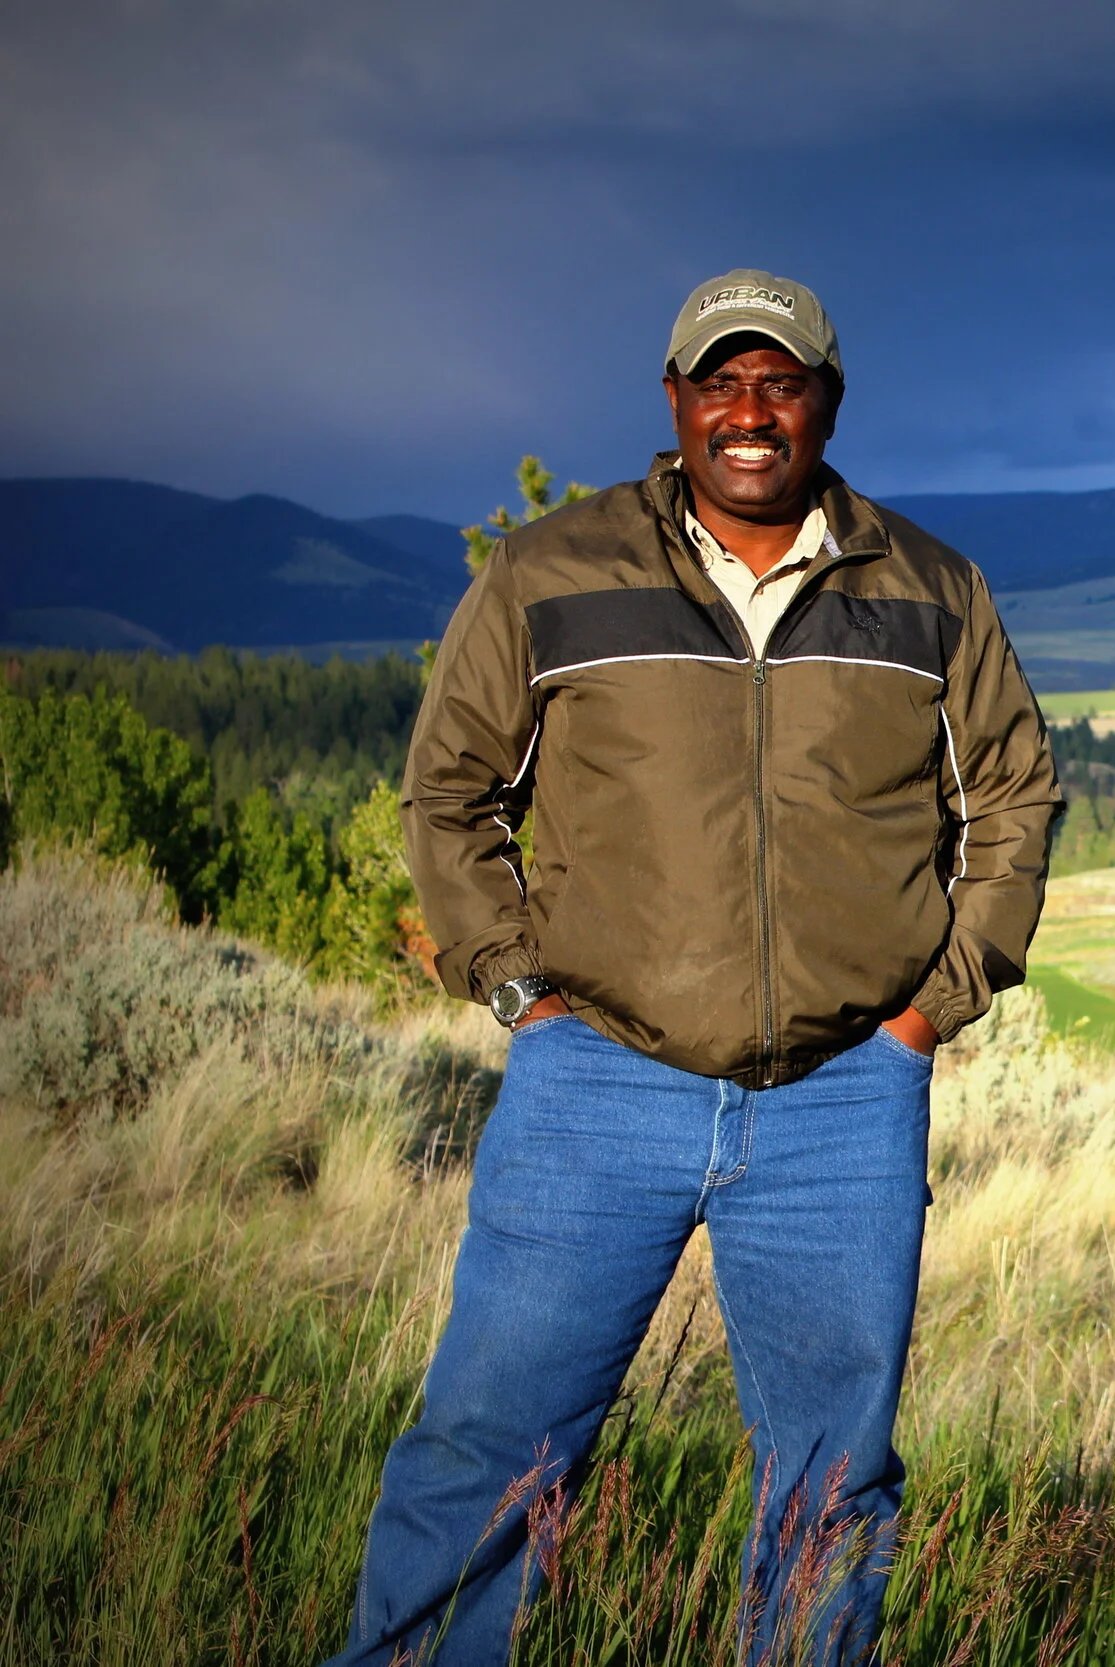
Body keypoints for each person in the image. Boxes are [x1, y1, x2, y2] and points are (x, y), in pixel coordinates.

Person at [326, 269, 1062, 1664]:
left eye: (779, 380)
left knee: (831, 1482)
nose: (749, 409)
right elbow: (449, 795)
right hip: (595, 1078)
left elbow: (1013, 797)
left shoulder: (931, 588)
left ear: (827, 403)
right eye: (719, 379)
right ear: (672, 401)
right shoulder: (550, 570)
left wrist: (932, 1008)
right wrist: (516, 995)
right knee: (486, 1444)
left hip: (846, 1097)